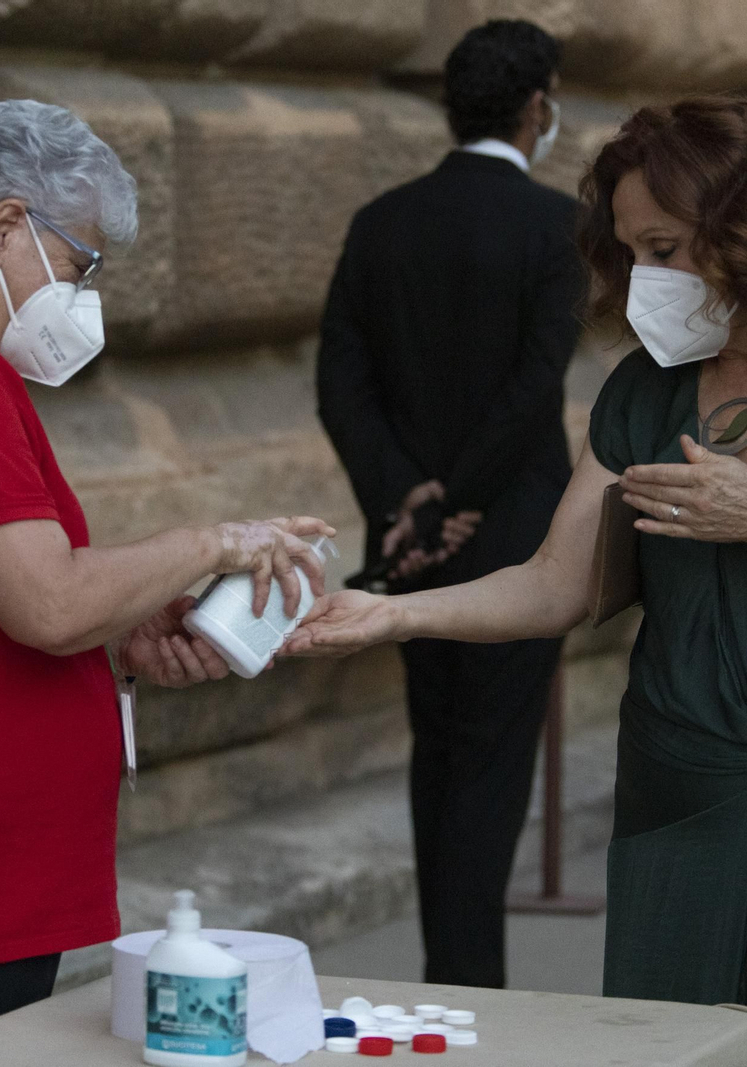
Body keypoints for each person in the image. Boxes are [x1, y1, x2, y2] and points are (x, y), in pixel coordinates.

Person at [296, 95, 747, 1034]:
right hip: (674, 791)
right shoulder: (645, 390)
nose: (643, 277)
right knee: (669, 1043)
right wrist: (393, 614)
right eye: (629, 252)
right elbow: (555, 581)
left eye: (665, 247)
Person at [0, 99, 333, 1067]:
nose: (82, 297)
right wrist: (215, 542)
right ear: (2, 229)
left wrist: (125, 628)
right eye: (79, 265)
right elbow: (47, 601)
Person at [315, 17, 584, 990]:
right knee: (490, 762)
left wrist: (405, 499)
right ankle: (468, 984)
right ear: (536, 106)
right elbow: (535, 385)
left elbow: (340, 381)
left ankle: (451, 969)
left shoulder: (381, 220)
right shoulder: (557, 224)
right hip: (516, 535)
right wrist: (455, 499)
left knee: (437, 749)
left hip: (408, 541)